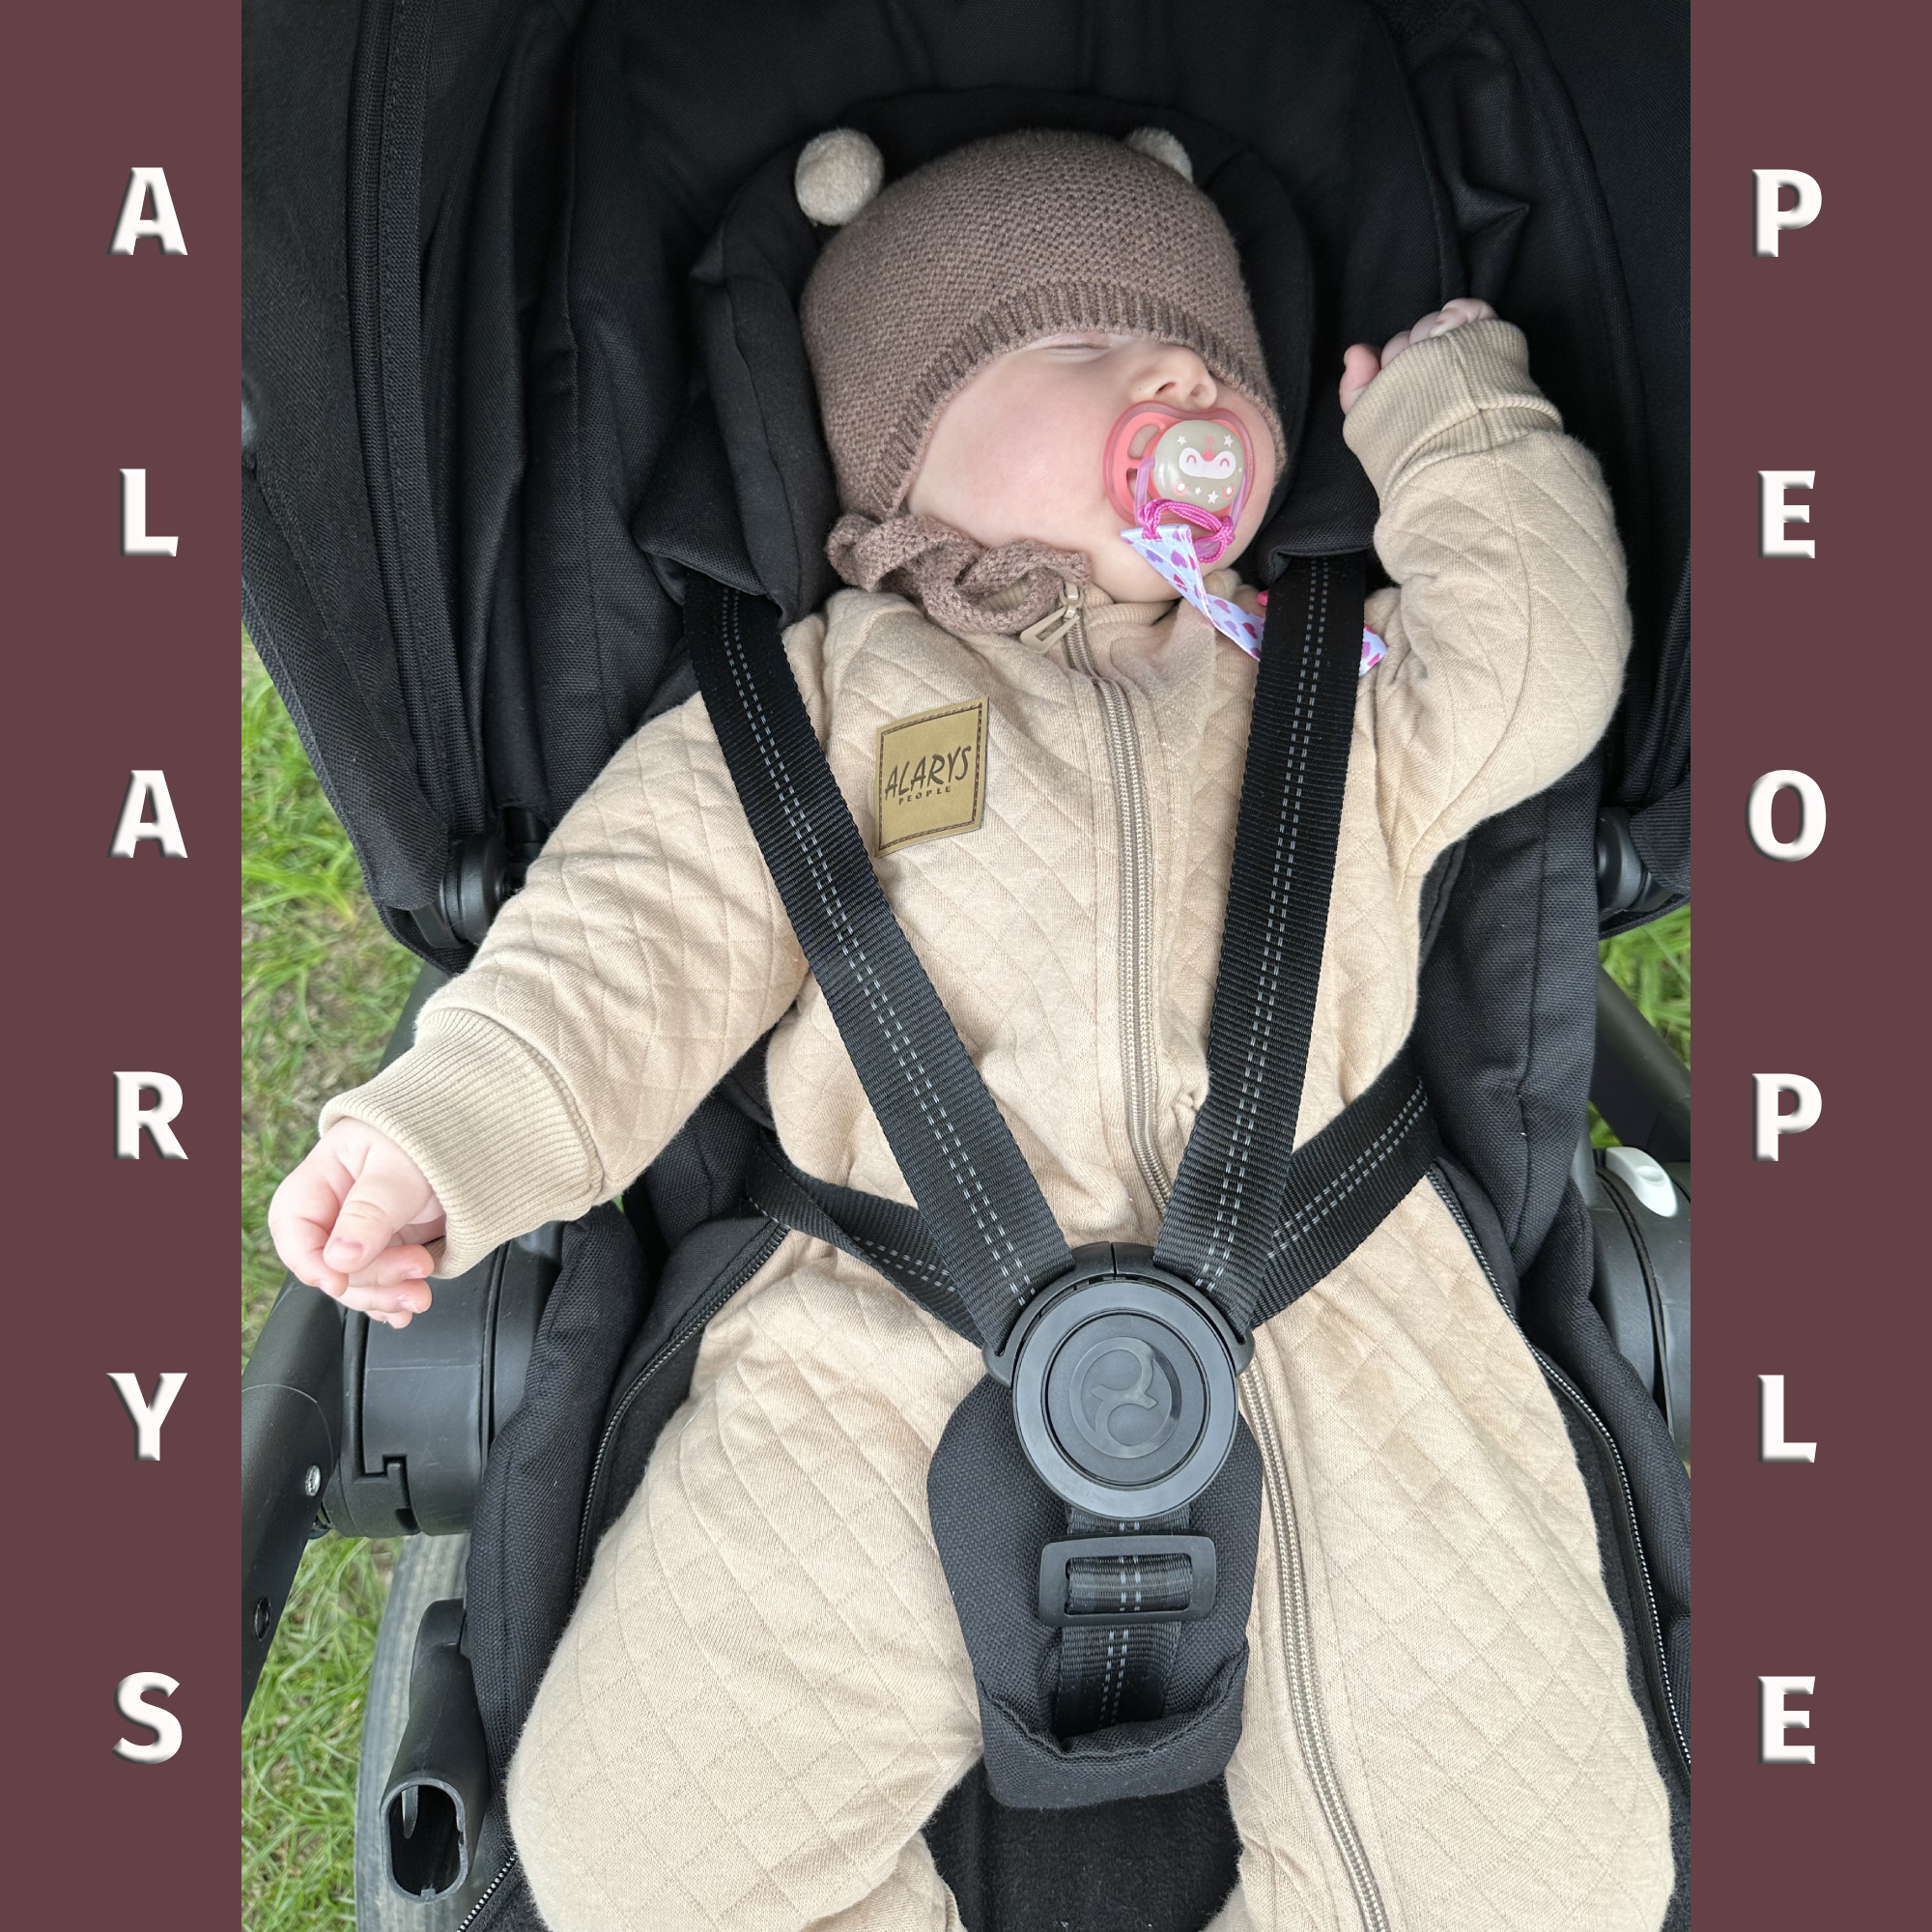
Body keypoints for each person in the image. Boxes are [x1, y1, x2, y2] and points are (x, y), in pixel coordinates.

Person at [270, 129, 1672, 1931]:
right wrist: (445, 1130)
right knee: (648, 1854)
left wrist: (1457, 424)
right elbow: (631, 938)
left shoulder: (1337, 675)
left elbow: (1538, 660)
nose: (1176, 383)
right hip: (882, 1326)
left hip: (1346, 1312)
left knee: (1545, 1870)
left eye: (1209, 360)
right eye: (1083, 347)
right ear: (903, 455)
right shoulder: (830, 705)